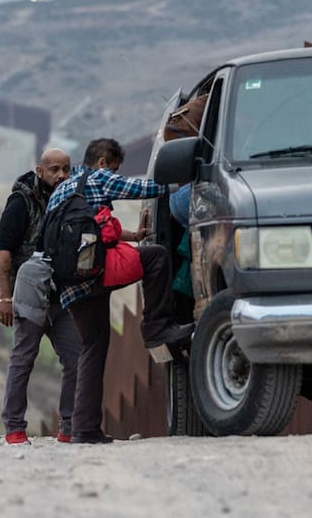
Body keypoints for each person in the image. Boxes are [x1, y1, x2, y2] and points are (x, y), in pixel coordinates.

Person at [46, 138, 193, 443]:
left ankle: (84, 428)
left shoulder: (60, 191)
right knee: (156, 258)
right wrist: (183, 184)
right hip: (98, 271)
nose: (114, 173)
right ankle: (157, 328)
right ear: (102, 162)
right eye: (114, 168)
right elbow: (145, 188)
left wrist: (132, 235)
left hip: (70, 283)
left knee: (92, 349)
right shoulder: (98, 177)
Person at [0, 148, 83, 445]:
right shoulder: (21, 202)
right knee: (23, 359)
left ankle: (69, 426)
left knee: (76, 357)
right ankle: (14, 427)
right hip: (30, 295)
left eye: (66, 169)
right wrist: (4, 298)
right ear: (40, 171)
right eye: (54, 169)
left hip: (61, 296)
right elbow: (3, 251)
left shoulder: (72, 199)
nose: (61, 175)